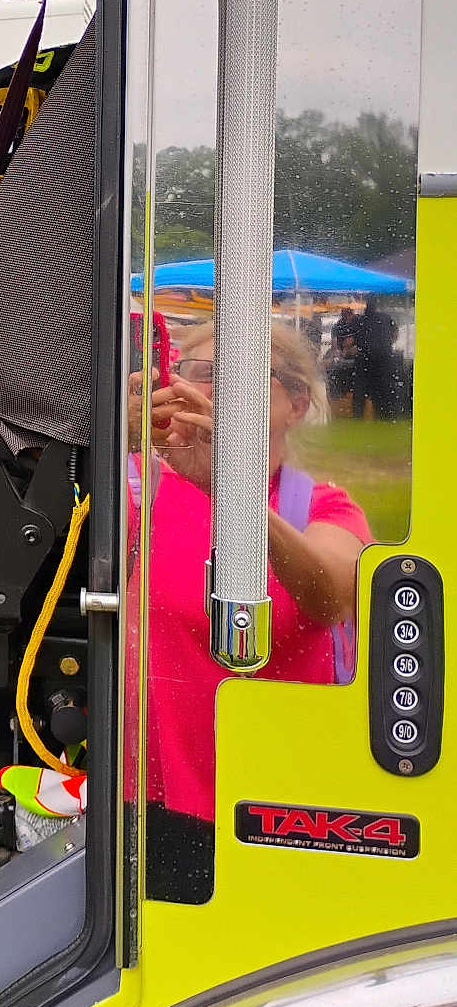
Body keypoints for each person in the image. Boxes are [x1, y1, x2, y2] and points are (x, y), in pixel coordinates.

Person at [127, 323, 371, 901]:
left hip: (279, 806)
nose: (221, 392)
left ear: (296, 405)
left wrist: (231, 488)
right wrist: (115, 438)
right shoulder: (139, 490)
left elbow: (330, 595)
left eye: (245, 377)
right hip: (150, 794)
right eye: (205, 375)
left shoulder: (321, 505)